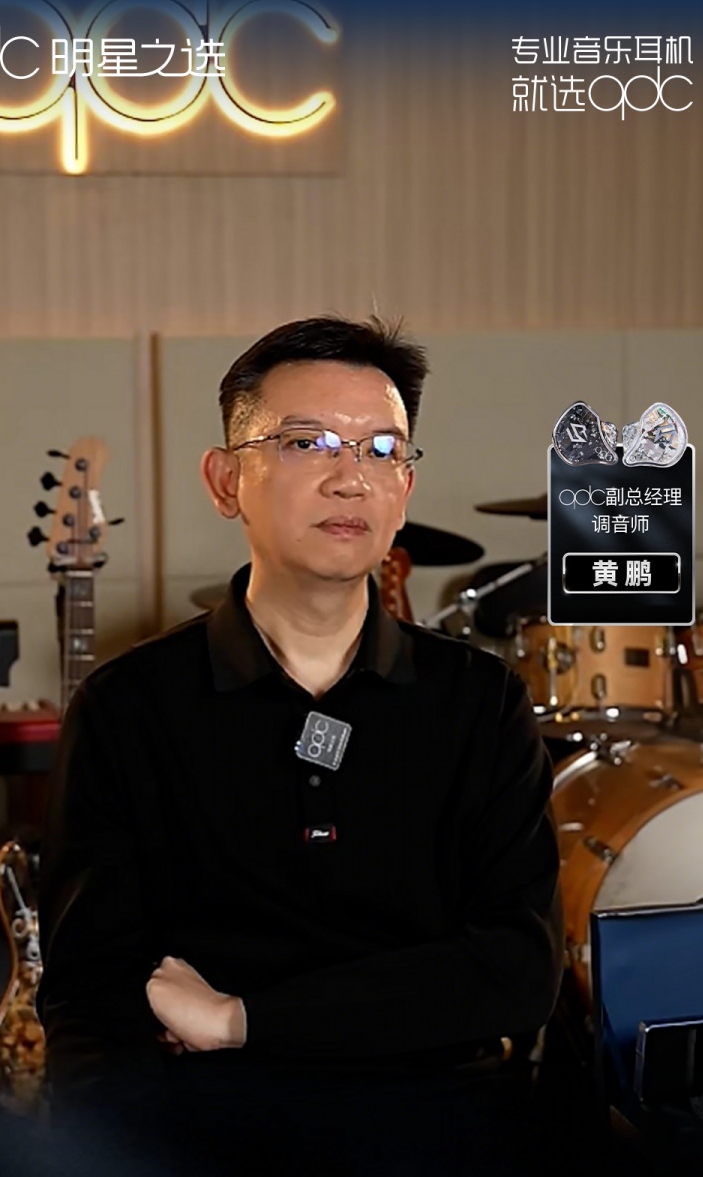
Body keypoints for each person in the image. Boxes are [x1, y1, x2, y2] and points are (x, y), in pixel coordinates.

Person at [36, 316, 563, 1177]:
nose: (349, 477)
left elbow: (516, 972)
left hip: (436, 1123)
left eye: (382, 449)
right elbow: (92, 1001)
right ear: (225, 481)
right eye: (306, 442)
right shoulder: (128, 708)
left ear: (404, 489)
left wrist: (241, 1018)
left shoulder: (480, 701)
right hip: (206, 1131)